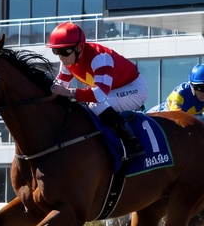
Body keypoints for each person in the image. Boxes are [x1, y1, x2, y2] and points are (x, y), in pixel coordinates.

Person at [46, 21, 148, 161]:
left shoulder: (99, 58)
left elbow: (99, 95)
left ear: (80, 48)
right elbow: (58, 86)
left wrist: (70, 93)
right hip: (111, 90)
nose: (60, 56)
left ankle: (131, 142)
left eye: (64, 51)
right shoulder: (68, 61)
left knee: (95, 104)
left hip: (133, 88)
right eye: (56, 51)